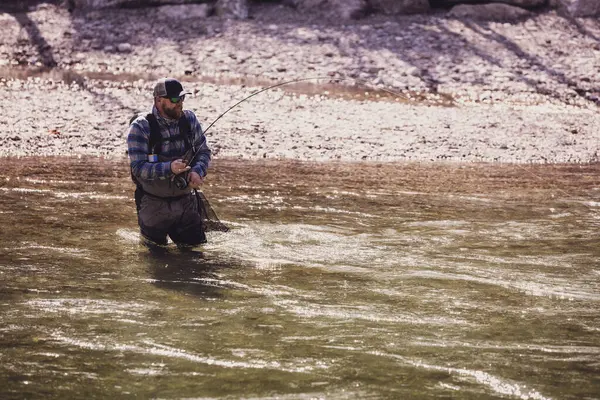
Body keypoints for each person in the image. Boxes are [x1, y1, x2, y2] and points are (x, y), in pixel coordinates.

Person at [127, 77, 212, 247]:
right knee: (155, 262)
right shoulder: (141, 127)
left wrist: (197, 171)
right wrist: (169, 168)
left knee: (196, 257)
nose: (179, 103)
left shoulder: (189, 119)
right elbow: (138, 168)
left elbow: (203, 152)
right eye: (174, 99)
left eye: (182, 98)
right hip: (153, 206)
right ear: (158, 100)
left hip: (186, 205)